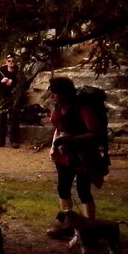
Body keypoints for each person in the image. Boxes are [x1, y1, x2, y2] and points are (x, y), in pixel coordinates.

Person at [46, 76, 105, 237]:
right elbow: (59, 128)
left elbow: (96, 133)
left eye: (55, 93)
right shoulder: (58, 107)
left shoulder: (82, 109)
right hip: (63, 156)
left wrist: (71, 139)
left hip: (82, 156)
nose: (52, 96)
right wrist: (53, 147)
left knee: (83, 191)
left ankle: (89, 228)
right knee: (63, 188)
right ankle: (69, 224)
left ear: (65, 93)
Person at [0, 54, 22, 147]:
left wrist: (13, 82)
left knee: (14, 118)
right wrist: (2, 82)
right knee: (2, 118)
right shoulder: (1, 71)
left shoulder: (19, 72)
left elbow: (23, 83)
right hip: (3, 98)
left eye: (13, 61)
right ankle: (1, 140)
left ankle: (14, 140)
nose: (11, 63)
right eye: (9, 61)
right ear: (6, 62)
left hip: (14, 98)